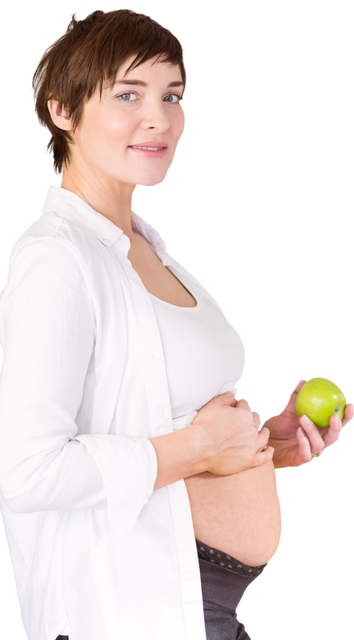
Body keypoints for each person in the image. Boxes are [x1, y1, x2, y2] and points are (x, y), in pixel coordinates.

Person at [1, 5, 353, 640]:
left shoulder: (154, 251)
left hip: (205, 607)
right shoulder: (56, 257)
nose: (158, 118)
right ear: (63, 111)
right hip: (131, 609)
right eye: (128, 94)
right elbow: (31, 473)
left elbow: (161, 420)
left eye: (173, 95)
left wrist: (260, 446)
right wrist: (199, 449)